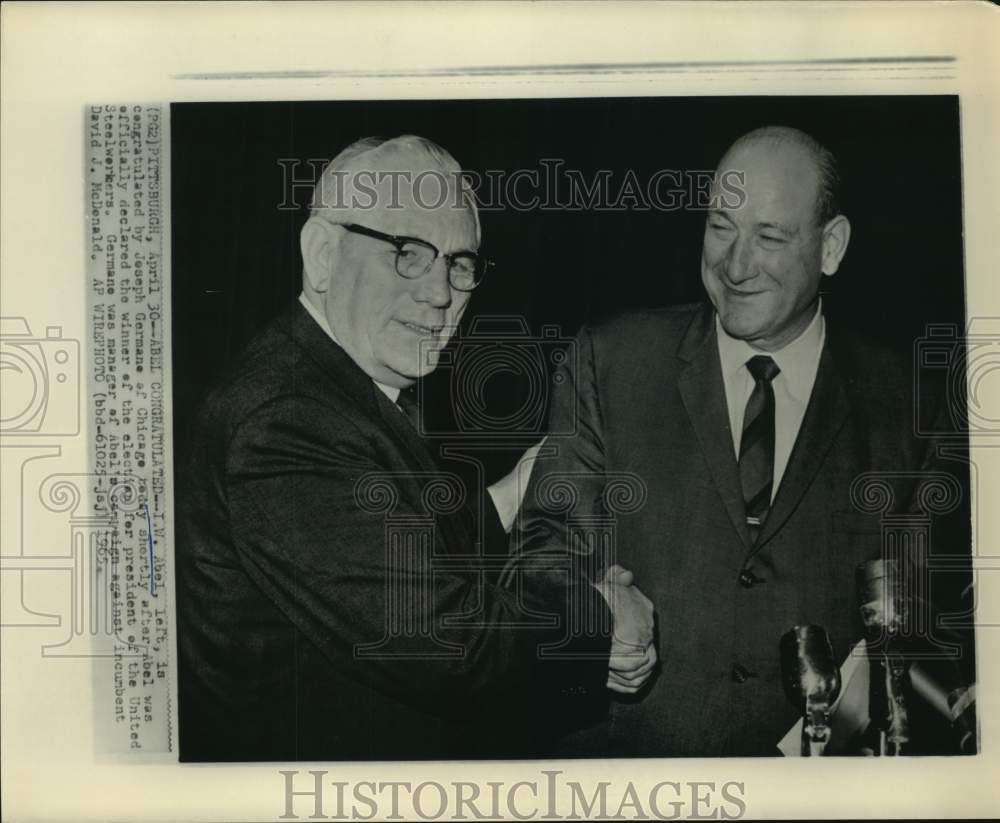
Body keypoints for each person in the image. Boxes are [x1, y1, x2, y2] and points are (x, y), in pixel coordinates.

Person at [175, 135, 656, 762]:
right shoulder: (284, 420)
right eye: (407, 252)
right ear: (322, 255)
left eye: (459, 263)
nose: (439, 293)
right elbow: (447, 645)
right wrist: (600, 617)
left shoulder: (341, 384)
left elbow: (393, 537)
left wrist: (510, 493)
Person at [514, 126, 971, 756]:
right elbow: (540, 553)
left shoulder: (915, 406)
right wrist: (596, 620)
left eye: (770, 237)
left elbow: (939, 619)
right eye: (721, 226)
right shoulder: (612, 361)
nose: (734, 265)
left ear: (831, 246)